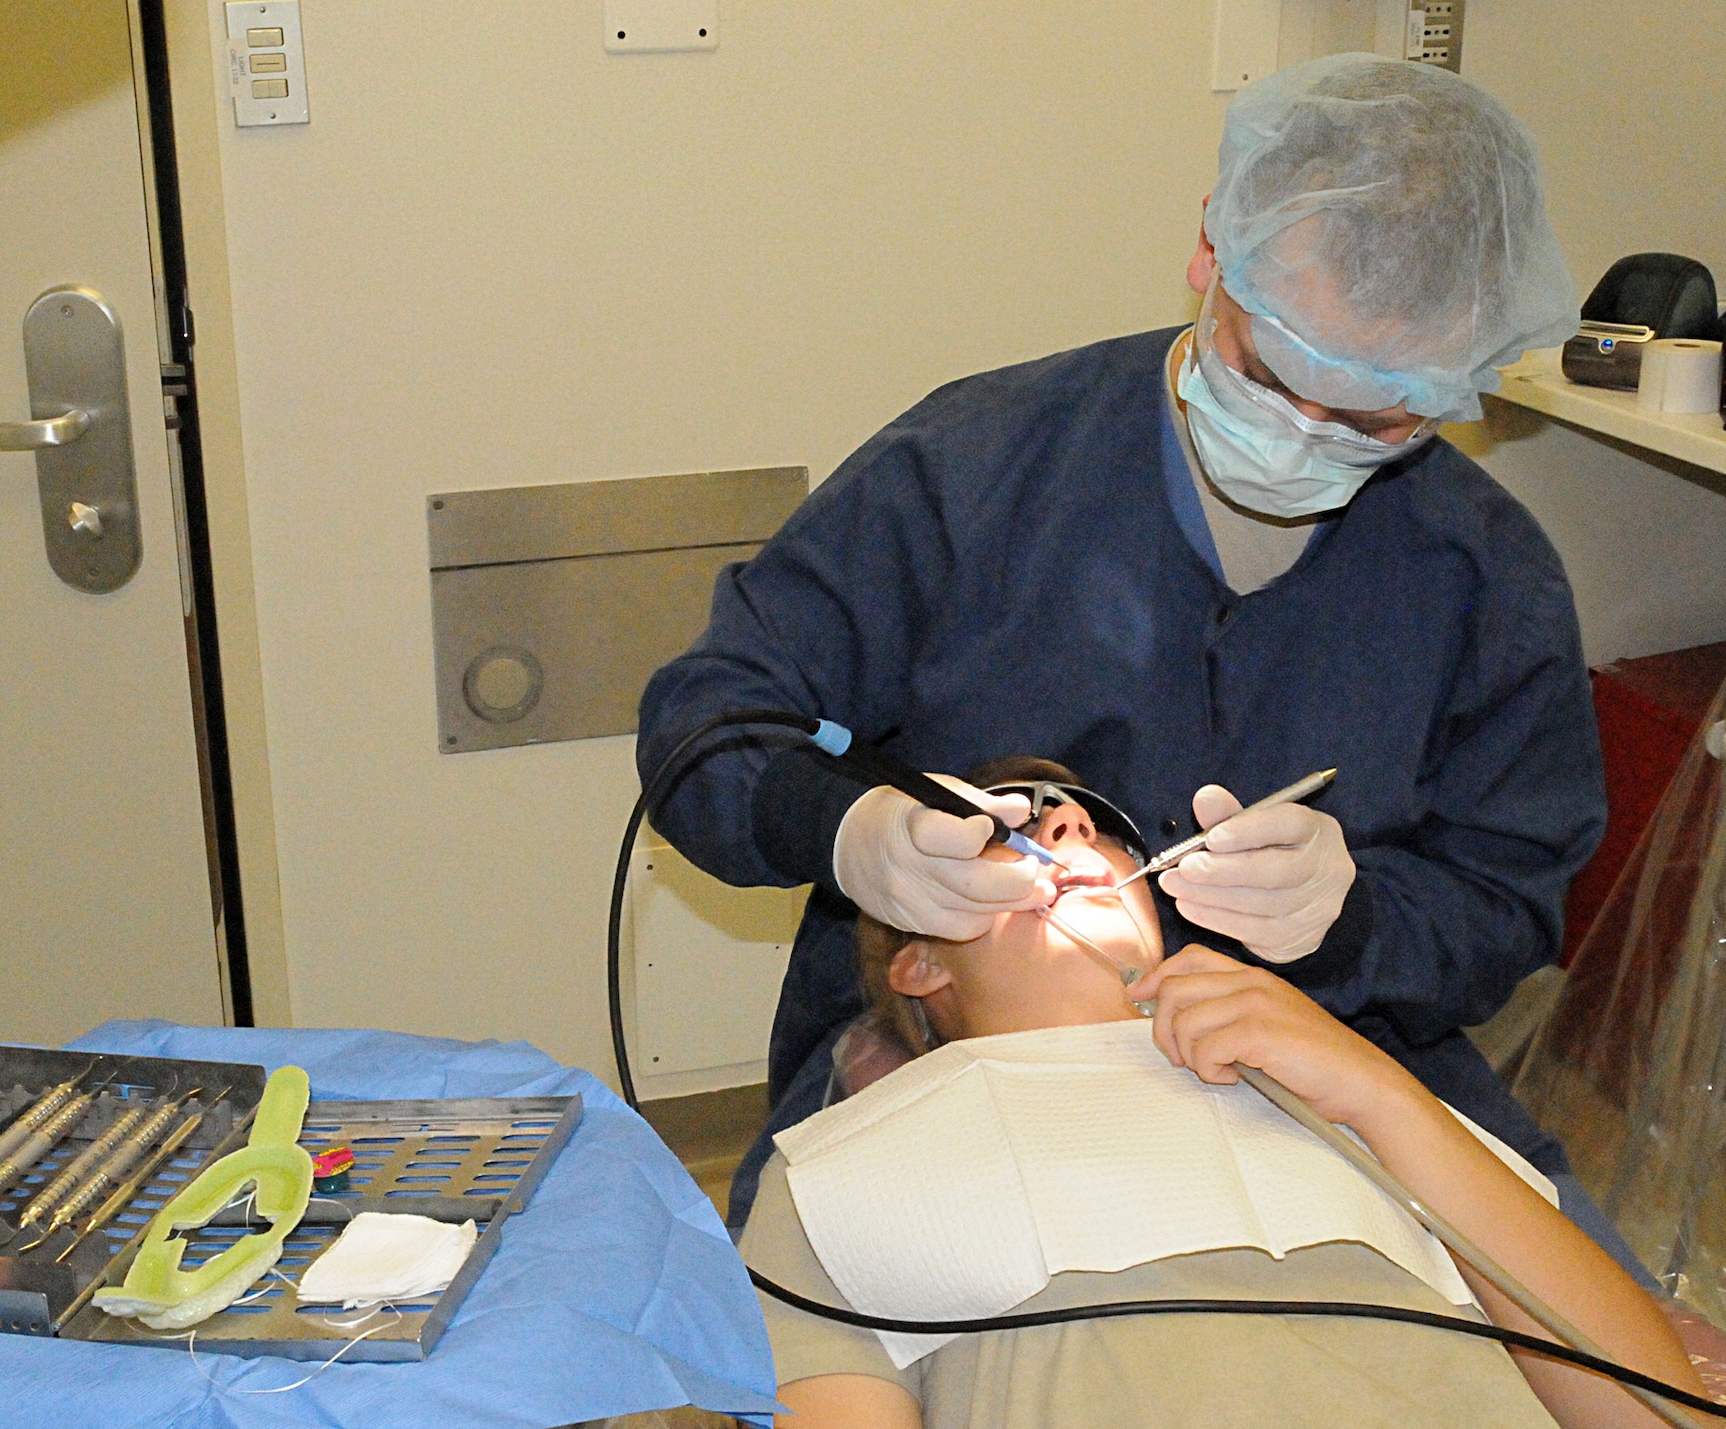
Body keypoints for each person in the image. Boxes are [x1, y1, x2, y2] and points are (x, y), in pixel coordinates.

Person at [635, 54, 1613, 1247]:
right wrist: (836, 827)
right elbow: (711, 718)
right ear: (1212, 250)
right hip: (951, 1076)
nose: (1302, 435)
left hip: (1330, 1054)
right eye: (1269, 375)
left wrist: (1351, 920)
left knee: (1584, 1321)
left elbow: (1503, 899)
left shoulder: (1484, 579)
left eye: (1370, 419)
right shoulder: (973, 472)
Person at [741, 761, 1702, 1428]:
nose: (1069, 824)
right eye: (1015, 828)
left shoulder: (1344, 1092)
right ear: (917, 964)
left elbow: (1658, 1404)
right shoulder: (840, 1174)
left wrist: (1375, 1087)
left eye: (1086, 822)